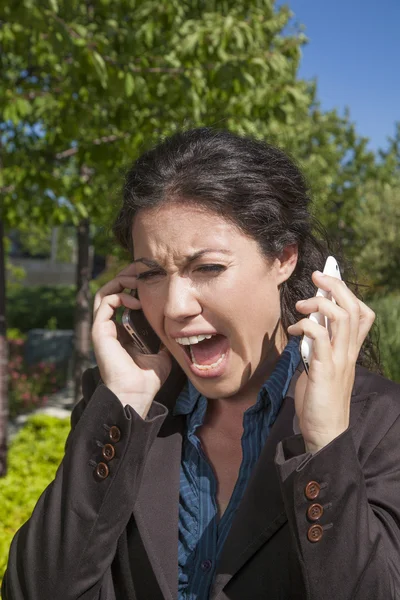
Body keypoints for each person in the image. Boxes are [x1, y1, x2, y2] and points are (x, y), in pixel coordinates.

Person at [2, 128, 400, 600]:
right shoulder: (123, 412)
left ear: (284, 258)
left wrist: (325, 445)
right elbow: (34, 590)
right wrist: (124, 400)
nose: (173, 307)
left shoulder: (377, 419)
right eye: (151, 273)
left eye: (207, 268)